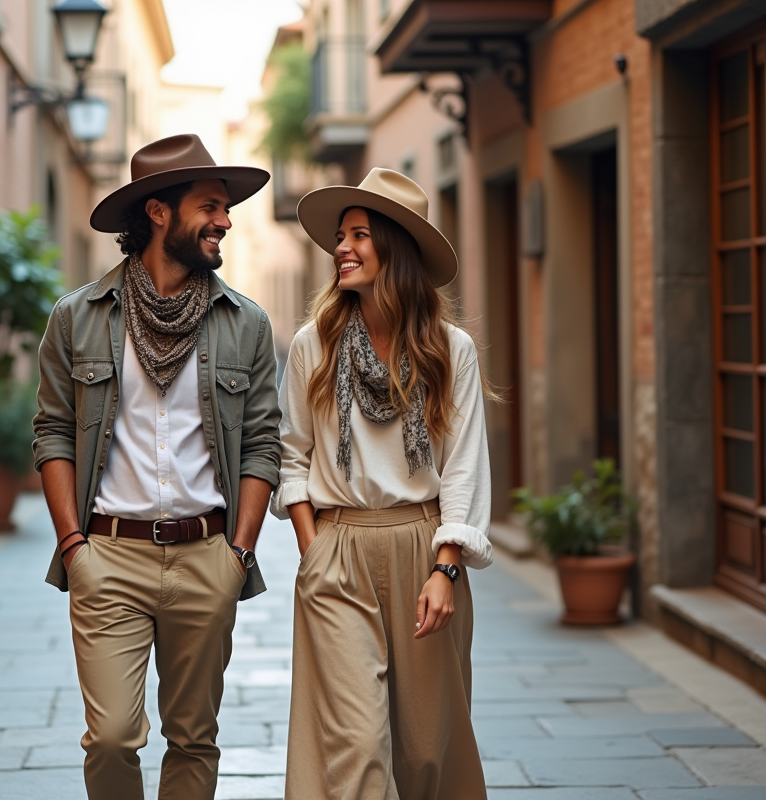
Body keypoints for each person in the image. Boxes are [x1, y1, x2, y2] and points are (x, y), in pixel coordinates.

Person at [32, 134, 282, 800]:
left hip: (208, 554)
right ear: (159, 212)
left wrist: (239, 552)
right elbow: (53, 433)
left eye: (225, 208)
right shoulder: (77, 319)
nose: (225, 220)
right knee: (112, 737)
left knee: (194, 737)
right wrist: (73, 547)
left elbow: (263, 440)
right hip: (109, 555)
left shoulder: (245, 323)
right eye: (210, 205)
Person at [273, 168, 496, 800]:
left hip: (425, 549)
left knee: (426, 750)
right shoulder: (312, 346)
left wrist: (446, 568)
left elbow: (463, 465)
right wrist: (313, 550)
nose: (342, 248)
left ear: (394, 248)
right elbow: (291, 455)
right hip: (338, 551)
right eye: (341, 236)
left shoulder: (451, 351)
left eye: (360, 235)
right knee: (357, 747)